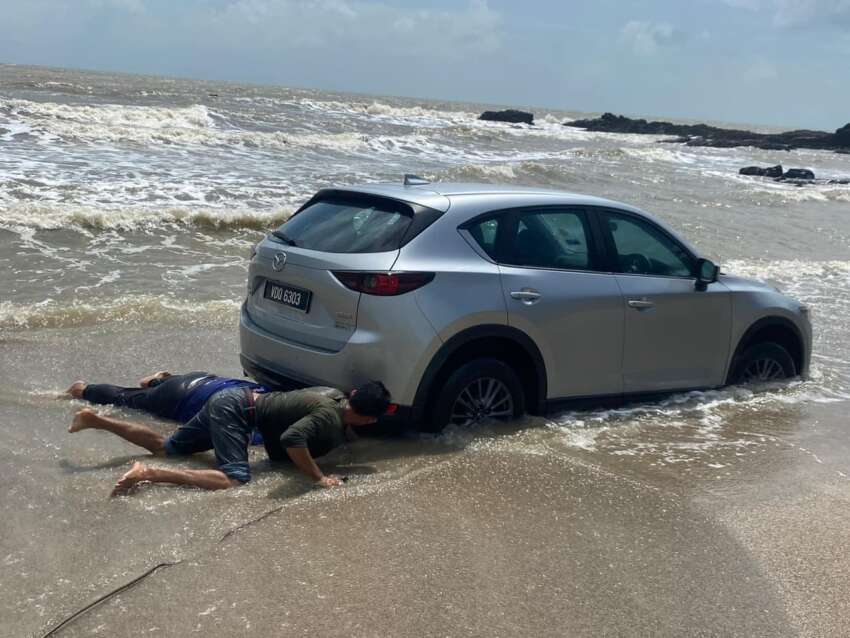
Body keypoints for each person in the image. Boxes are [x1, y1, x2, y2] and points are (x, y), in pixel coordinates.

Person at [68, 380, 391, 496]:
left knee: (166, 446)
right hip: (238, 412)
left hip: (232, 398)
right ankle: (149, 474)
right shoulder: (328, 419)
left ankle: (94, 418)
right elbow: (293, 439)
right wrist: (319, 478)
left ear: (352, 393)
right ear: (371, 419)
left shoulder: (331, 395)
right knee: (233, 479)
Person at [66, 370, 267, 424]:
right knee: (123, 398)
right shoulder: (269, 424)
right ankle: (82, 389)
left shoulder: (284, 396)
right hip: (176, 399)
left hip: (205, 379)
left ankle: (156, 381)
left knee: (148, 392)